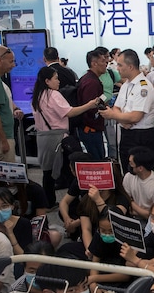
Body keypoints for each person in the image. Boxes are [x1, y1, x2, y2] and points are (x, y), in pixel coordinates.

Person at [31, 66, 97, 206]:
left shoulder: (37, 95)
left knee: (48, 171)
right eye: (55, 78)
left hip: (43, 138)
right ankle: (75, 202)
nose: (59, 81)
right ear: (47, 81)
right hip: (58, 137)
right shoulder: (53, 94)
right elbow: (69, 112)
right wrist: (89, 105)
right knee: (69, 169)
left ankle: (48, 202)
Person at [99, 49, 154, 160]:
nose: (117, 68)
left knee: (140, 170)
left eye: (120, 65)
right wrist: (122, 120)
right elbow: (117, 107)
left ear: (130, 67)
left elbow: (135, 117)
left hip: (141, 135)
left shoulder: (143, 87)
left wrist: (113, 116)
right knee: (127, 170)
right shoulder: (126, 84)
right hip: (126, 132)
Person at [78, 162, 130, 258]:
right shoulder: (86, 199)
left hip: (118, 243)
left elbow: (114, 217)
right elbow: (86, 229)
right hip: (96, 240)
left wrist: (98, 200)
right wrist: (90, 249)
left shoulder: (121, 198)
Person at [75, 48, 108, 159]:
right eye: (103, 61)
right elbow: (90, 108)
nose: (106, 64)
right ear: (94, 63)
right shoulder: (91, 82)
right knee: (97, 161)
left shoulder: (90, 78)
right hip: (90, 130)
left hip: (92, 129)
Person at [59, 151, 93, 240]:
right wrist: (67, 219)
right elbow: (64, 202)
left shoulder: (96, 183)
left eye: (71, 168)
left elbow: (93, 212)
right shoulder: (78, 180)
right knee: (66, 209)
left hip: (94, 216)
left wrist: (74, 223)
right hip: (83, 213)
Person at [123, 146, 154, 223]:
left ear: (140, 168)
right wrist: (142, 212)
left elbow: (152, 215)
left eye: (131, 164)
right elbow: (124, 199)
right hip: (132, 218)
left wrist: (132, 204)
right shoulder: (128, 177)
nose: (129, 166)